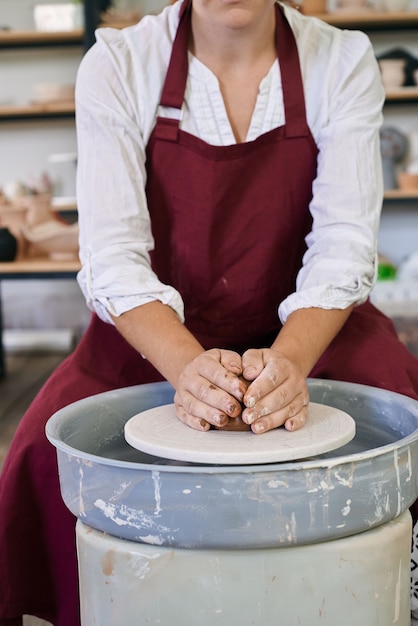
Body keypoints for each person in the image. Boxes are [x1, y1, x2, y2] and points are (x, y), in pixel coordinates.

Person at [1, 1, 418, 624]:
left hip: (308, 328)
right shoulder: (119, 63)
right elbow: (112, 257)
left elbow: (343, 248)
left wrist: (291, 361)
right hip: (152, 332)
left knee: (401, 412)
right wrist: (188, 370)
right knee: (39, 449)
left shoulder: (341, 59)